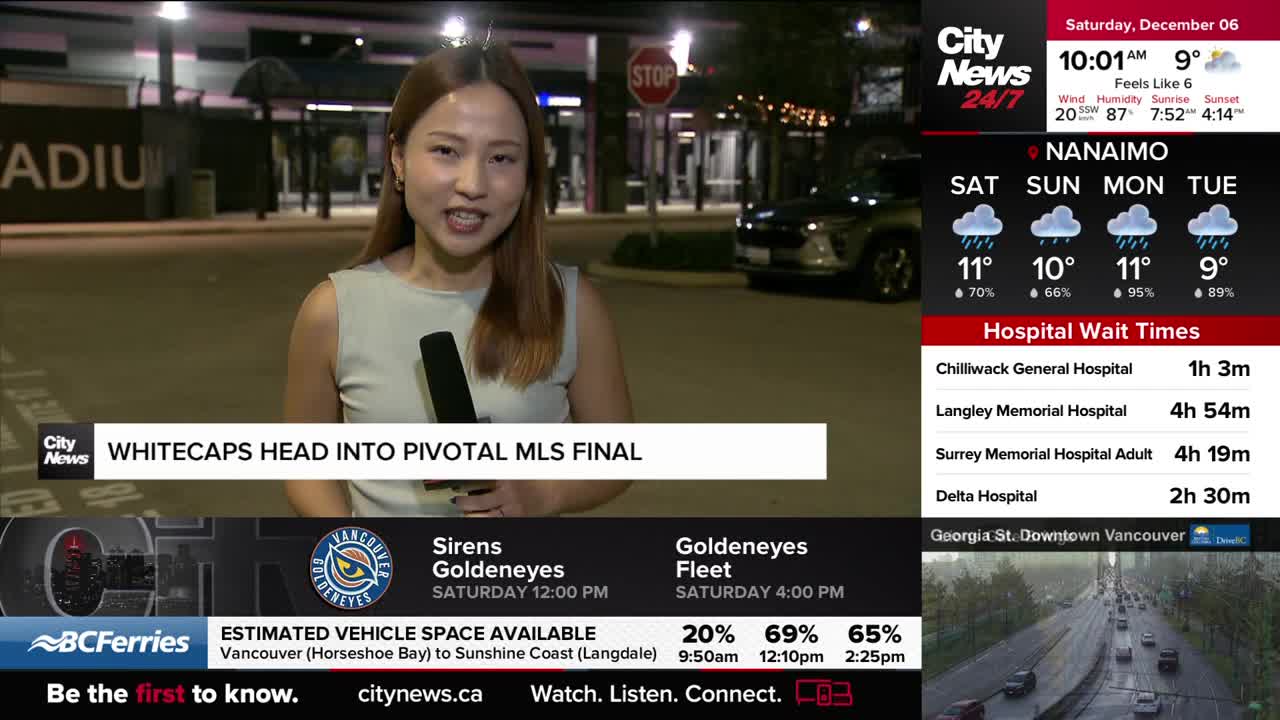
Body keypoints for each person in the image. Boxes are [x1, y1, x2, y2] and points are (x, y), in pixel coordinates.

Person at [282, 41, 634, 517]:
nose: (472, 184)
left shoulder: (572, 306)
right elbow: (305, 466)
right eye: (446, 150)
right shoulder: (333, 310)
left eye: (502, 158)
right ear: (399, 158)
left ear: (530, 174)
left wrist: (546, 494)